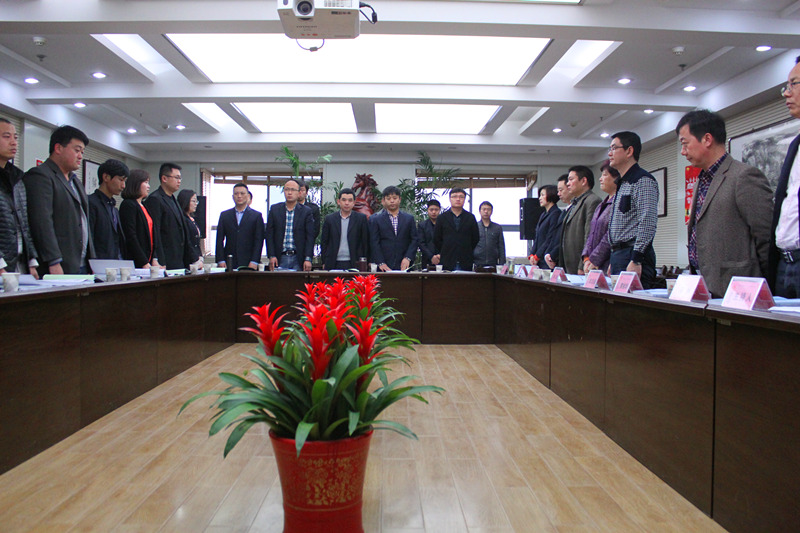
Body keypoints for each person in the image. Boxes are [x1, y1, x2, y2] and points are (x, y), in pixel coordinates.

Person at [677, 109, 773, 298]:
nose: (683, 151)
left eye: (685, 144)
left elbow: (765, 236)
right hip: (703, 286)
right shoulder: (700, 181)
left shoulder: (743, 176)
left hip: (738, 288)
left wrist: (760, 281)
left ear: (707, 139)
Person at [25, 125, 95, 275]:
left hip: (82, 263)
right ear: (58, 148)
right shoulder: (41, 176)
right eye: (77, 150)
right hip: (58, 264)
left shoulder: (75, 181)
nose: (80, 156)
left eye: (82, 152)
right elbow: (42, 222)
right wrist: (54, 260)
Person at [607, 131, 659, 288]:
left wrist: (636, 259)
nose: (609, 153)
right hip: (619, 254)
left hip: (633, 254)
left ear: (629, 151)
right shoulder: (622, 183)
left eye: (614, 148)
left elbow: (647, 221)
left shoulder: (642, 181)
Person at [769, 56, 800, 298]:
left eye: (794, 84)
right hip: (785, 262)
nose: (786, 93)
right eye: (786, 86)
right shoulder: (795, 145)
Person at [0, 118, 38, 278]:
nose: (13, 142)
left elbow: (24, 223)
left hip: (19, 263)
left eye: (15, 137)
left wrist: (31, 261)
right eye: (6, 136)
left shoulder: (18, 179)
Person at [143, 163, 194, 270]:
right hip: (165, 259)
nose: (179, 181)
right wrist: (156, 258)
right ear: (164, 178)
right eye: (176, 177)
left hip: (179, 258)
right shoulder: (155, 199)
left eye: (180, 178)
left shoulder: (173, 199)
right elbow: (154, 232)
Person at [558, 165, 601, 274]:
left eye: (571, 179)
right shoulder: (575, 202)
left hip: (580, 265)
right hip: (568, 264)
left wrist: (582, 264)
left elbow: (590, 235)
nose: (568, 184)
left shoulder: (592, 201)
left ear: (583, 181)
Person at [265, 178, 314, 271]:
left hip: (298, 258)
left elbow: (310, 237)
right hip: (280, 257)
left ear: (299, 192)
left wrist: (308, 258)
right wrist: (271, 255)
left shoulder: (306, 211)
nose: (289, 192)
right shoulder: (275, 209)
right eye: (287, 189)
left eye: (293, 190)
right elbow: (269, 235)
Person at [215, 183, 265, 270]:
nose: (239, 196)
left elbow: (259, 241)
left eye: (242, 193)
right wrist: (220, 260)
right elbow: (219, 239)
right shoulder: (224, 215)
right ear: (232, 196)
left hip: (249, 261)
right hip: (229, 261)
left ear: (248, 196)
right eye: (236, 193)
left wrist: (254, 261)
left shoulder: (256, 216)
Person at [369, 185, 419, 271]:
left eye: (395, 198)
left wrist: (408, 258)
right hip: (384, 265)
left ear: (399, 199)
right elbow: (374, 242)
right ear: (384, 201)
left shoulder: (409, 219)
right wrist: (380, 262)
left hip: (405, 264)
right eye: (388, 199)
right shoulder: (376, 219)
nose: (392, 201)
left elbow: (414, 240)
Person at [582, 162, 619, 274]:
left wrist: (595, 258)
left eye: (605, 175)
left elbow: (610, 234)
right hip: (593, 263)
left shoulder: (618, 202)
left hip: (608, 262)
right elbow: (591, 233)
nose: (600, 179)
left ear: (616, 178)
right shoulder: (601, 205)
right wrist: (586, 257)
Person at [88, 159, 128, 260]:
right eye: (121, 180)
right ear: (106, 177)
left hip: (115, 261)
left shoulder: (113, 208)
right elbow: (90, 238)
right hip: (98, 262)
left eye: (124, 181)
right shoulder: (91, 203)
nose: (123, 186)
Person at [119, 169, 161, 268]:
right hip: (136, 262)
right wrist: (143, 262)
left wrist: (154, 258)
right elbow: (131, 236)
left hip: (148, 260)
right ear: (136, 183)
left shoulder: (144, 206)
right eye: (145, 182)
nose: (148, 186)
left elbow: (152, 234)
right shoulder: (128, 205)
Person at [320, 187, 369, 270]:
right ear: (338, 202)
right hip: (333, 261)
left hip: (354, 261)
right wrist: (324, 261)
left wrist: (365, 262)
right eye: (344, 200)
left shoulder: (361, 219)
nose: (347, 203)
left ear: (354, 202)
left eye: (350, 200)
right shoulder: (330, 219)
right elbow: (324, 242)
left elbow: (365, 242)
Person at [434, 187, 479, 271]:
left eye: (461, 197)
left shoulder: (470, 217)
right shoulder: (442, 218)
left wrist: (465, 248)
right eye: (454, 196)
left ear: (465, 199)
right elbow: (437, 239)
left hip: (466, 260)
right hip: (447, 259)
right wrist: (446, 248)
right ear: (450, 199)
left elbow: (475, 238)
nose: (458, 199)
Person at [528, 184, 559, 269]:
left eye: (542, 195)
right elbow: (537, 237)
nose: (540, 198)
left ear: (550, 195)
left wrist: (538, 255)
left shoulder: (555, 214)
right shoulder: (543, 214)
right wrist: (532, 254)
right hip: (539, 259)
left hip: (546, 258)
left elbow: (550, 238)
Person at [545, 174, 572, 269]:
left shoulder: (559, 212)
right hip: (555, 258)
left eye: (561, 190)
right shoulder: (564, 211)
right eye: (558, 191)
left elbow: (566, 238)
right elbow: (554, 237)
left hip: (567, 260)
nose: (559, 194)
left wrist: (552, 255)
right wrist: (548, 254)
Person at [473, 201, 505, 269]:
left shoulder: (497, 228)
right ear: (480, 211)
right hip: (477, 264)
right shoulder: (474, 226)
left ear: (492, 211)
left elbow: (501, 247)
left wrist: (501, 264)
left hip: (493, 264)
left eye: (488, 209)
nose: (486, 211)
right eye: (484, 209)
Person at [178, 189, 204, 266]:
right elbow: (188, 242)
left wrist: (200, 257)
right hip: (189, 260)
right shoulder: (183, 219)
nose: (196, 204)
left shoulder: (192, 219)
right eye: (193, 201)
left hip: (197, 257)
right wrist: (195, 259)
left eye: (196, 201)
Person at [418, 199, 441, 268]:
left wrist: (440, 255)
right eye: (431, 210)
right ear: (427, 210)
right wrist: (431, 256)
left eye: (436, 210)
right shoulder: (422, 225)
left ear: (439, 210)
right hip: (427, 260)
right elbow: (421, 243)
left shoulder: (445, 225)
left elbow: (447, 242)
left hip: (442, 259)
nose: (434, 212)